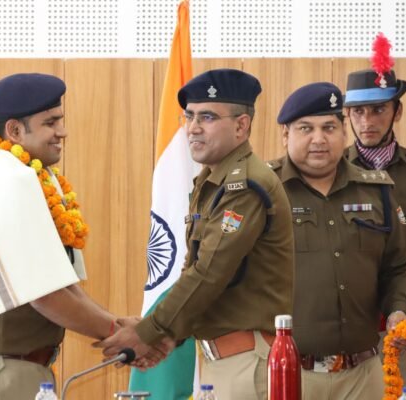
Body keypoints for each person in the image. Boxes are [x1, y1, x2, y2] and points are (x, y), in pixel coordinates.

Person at [97, 69, 295, 400]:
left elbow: (209, 273)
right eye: (189, 117)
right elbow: (195, 269)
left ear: (241, 125)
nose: (193, 128)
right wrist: (167, 334)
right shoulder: (211, 181)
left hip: (246, 364)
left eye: (207, 117)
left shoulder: (245, 185)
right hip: (226, 361)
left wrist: (148, 331)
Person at [0, 73, 123, 400]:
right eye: (51, 123)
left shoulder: (24, 171)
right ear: (14, 131)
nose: (62, 131)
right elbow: (43, 294)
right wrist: (117, 331)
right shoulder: (3, 176)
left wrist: (118, 325)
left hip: (15, 371)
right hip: (0, 375)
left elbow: (61, 281)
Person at [270, 82, 406, 399]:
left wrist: (398, 310)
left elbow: (398, 265)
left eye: (329, 127)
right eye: (306, 128)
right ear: (285, 135)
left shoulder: (376, 190)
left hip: (363, 375)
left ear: (344, 132)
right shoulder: (264, 192)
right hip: (288, 373)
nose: (319, 139)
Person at [343, 67, 406, 388]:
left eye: (378, 109)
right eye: (358, 111)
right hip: (347, 312)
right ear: (347, 114)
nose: (367, 121)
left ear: (397, 112)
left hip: (402, 312)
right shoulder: (331, 172)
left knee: (401, 390)